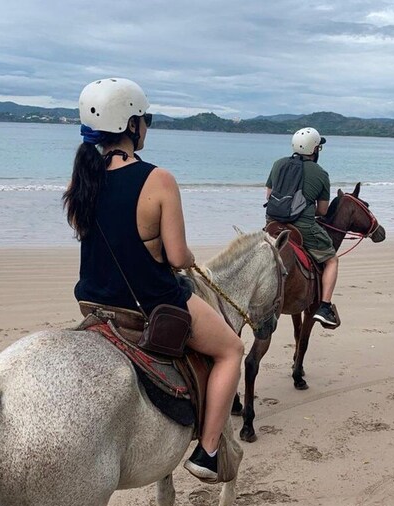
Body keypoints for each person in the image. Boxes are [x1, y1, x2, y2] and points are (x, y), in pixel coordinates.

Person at [63, 77, 244, 482]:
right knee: (231, 350)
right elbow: (177, 257)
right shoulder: (157, 178)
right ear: (131, 126)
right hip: (147, 302)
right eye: (145, 120)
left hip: (94, 302)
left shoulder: (82, 179)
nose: (146, 127)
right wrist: (188, 257)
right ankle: (209, 451)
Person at [266, 127, 340, 327]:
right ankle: (324, 307)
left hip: (272, 224)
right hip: (303, 227)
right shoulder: (321, 173)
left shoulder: (278, 164)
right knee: (332, 259)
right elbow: (323, 211)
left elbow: (268, 196)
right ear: (314, 149)